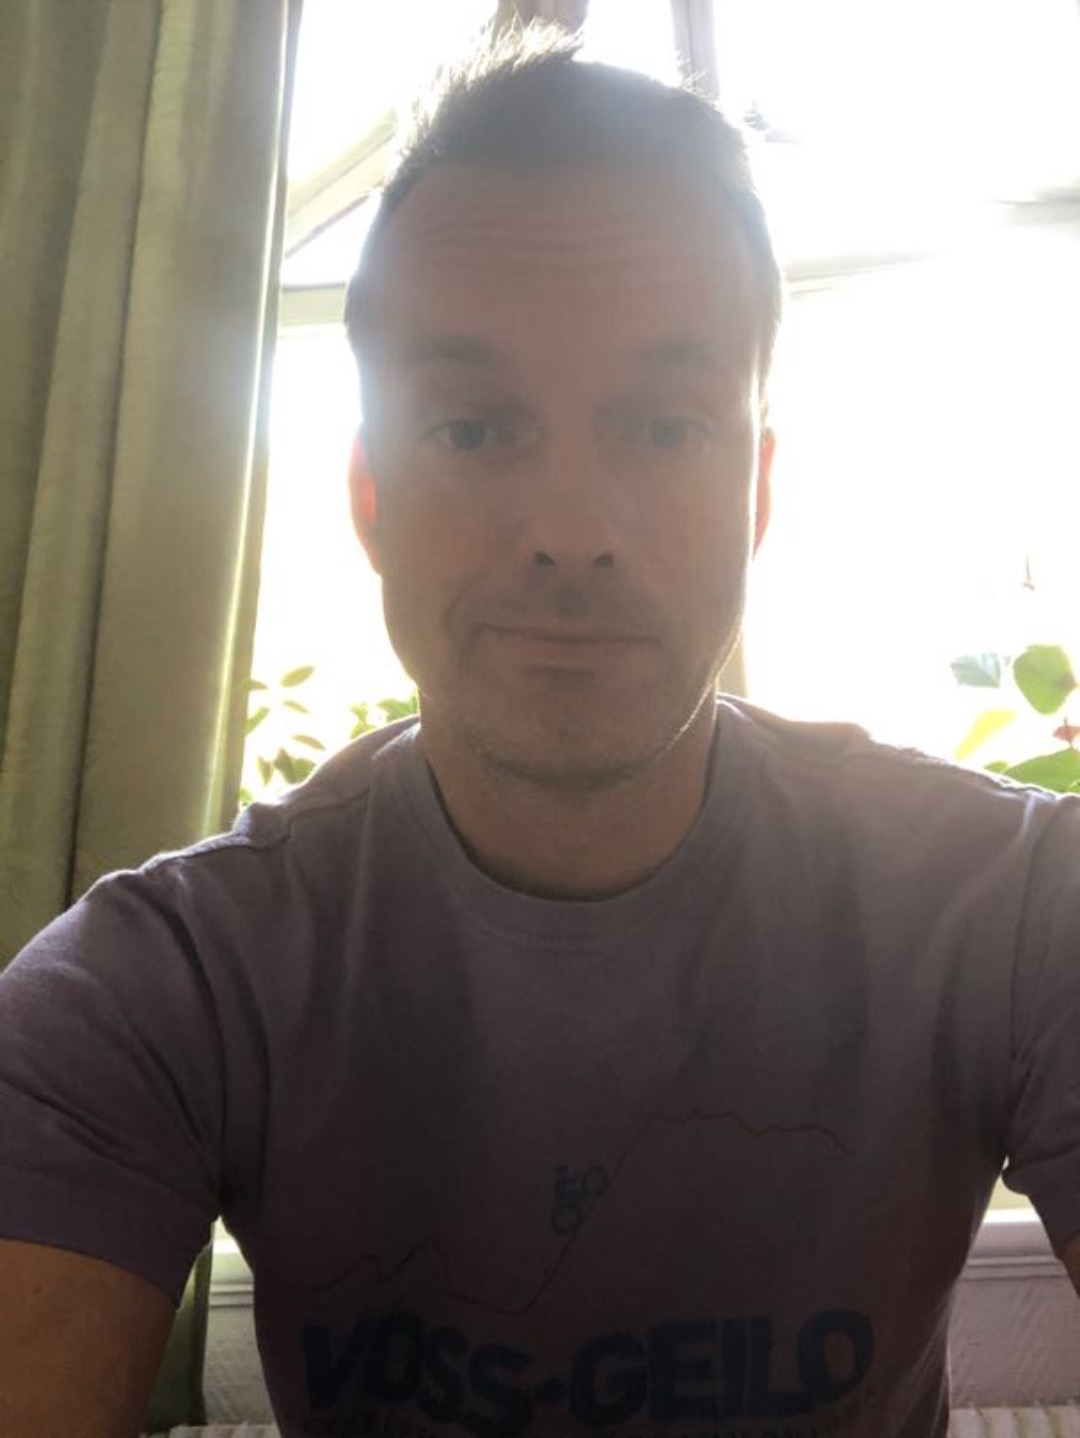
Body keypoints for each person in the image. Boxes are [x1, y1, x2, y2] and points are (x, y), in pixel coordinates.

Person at [1, 25, 1079, 1438]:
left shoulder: (1015, 916)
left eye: (663, 427)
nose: (572, 533)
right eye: (472, 427)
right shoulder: (160, 993)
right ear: (371, 497)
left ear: (754, 498)